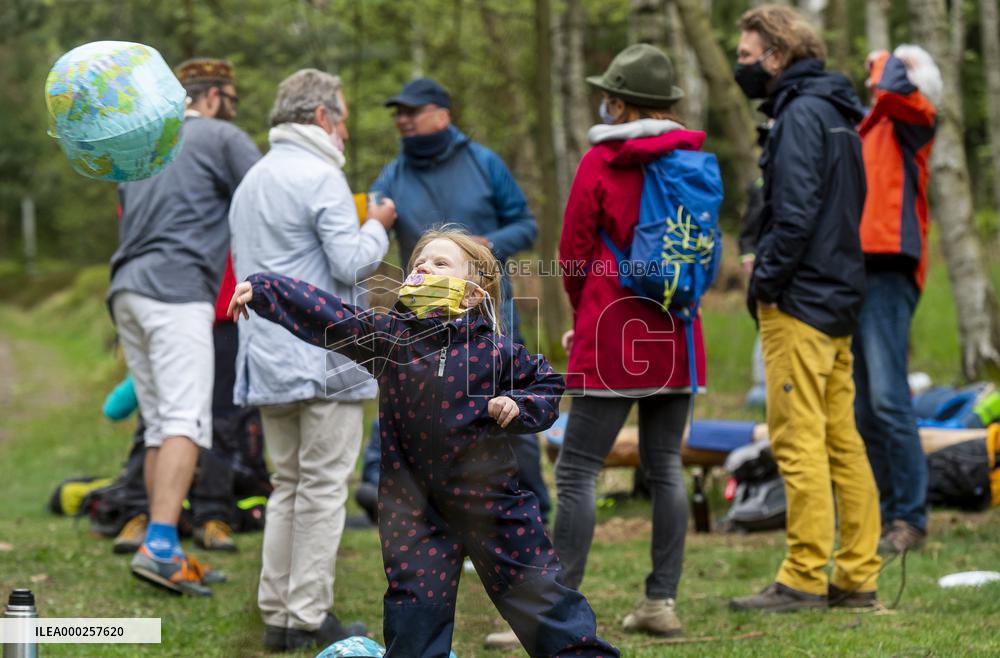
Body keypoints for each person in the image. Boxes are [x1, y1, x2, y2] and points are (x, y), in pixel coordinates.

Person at [228, 227, 619, 658]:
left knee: (540, 600)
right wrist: (266, 289)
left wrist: (517, 403)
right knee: (415, 616)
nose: (423, 268)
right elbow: (332, 314)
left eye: (439, 263)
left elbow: (546, 384)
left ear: (472, 294)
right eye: (418, 263)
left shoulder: (496, 352)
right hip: (413, 514)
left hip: (494, 508)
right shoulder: (389, 339)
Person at [229, 69, 393, 652]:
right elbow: (350, 264)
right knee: (324, 486)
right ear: (322, 117)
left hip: (268, 355)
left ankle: (278, 613)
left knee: (287, 484)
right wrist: (377, 224)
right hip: (323, 352)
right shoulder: (320, 176)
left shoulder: (253, 179)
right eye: (343, 117)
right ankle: (308, 614)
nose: (346, 130)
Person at [728, 5, 881, 612]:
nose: (740, 67)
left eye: (745, 57)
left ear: (775, 56)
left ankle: (803, 577)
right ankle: (857, 575)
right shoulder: (841, 113)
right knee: (843, 439)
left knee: (798, 441)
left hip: (802, 300)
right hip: (840, 295)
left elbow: (793, 212)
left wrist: (765, 280)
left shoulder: (799, 115)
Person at [553, 43, 706, 637]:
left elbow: (573, 251)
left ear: (617, 103)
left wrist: (582, 311)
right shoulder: (693, 160)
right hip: (678, 329)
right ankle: (659, 603)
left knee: (577, 471)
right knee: (666, 465)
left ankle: (555, 612)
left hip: (616, 329)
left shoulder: (603, 161)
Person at [358, 77, 551, 532]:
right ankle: (384, 490)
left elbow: (524, 223)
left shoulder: (483, 162)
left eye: (411, 111)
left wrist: (490, 244)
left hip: (485, 308)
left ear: (441, 115)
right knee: (405, 396)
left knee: (503, 399)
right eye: (397, 114)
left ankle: (534, 503)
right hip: (420, 316)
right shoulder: (393, 174)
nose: (402, 120)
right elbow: (368, 226)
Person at [109, 57, 260, 596]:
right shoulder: (220, 136)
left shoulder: (145, 145)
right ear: (214, 96)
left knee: (156, 424)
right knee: (185, 423)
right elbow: (268, 192)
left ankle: (158, 540)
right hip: (177, 291)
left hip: (126, 287)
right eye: (231, 101)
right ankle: (163, 547)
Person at [854, 46, 940, 555]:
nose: (872, 83)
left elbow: (896, 89)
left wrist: (887, 57)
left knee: (889, 400)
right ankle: (888, 517)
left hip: (891, 268)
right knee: (865, 407)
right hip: (856, 269)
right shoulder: (873, 125)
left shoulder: (915, 119)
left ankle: (910, 518)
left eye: (881, 74)